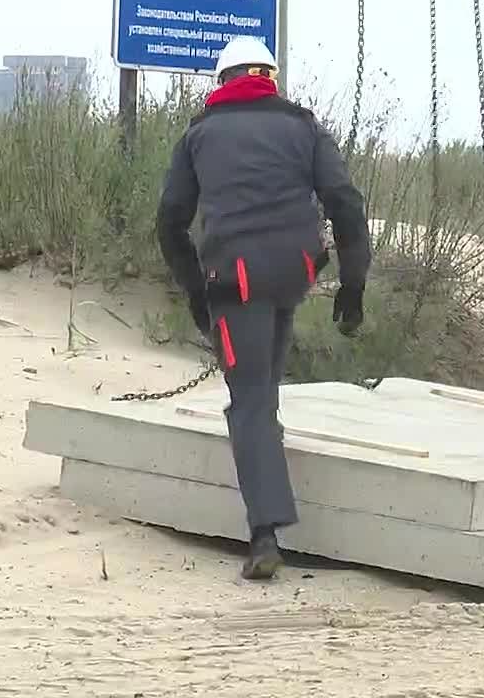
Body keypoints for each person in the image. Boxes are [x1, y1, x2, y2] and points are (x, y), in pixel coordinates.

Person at [155, 35, 371, 580]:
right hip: (293, 273)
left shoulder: (199, 135)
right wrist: (353, 284)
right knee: (264, 389)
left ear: (222, 81)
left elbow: (170, 222)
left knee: (248, 402)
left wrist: (196, 293)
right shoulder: (304, 126)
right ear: (269, 78)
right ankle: (269, 498)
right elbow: (344, 202)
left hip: (236, 284)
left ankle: (264, 534)